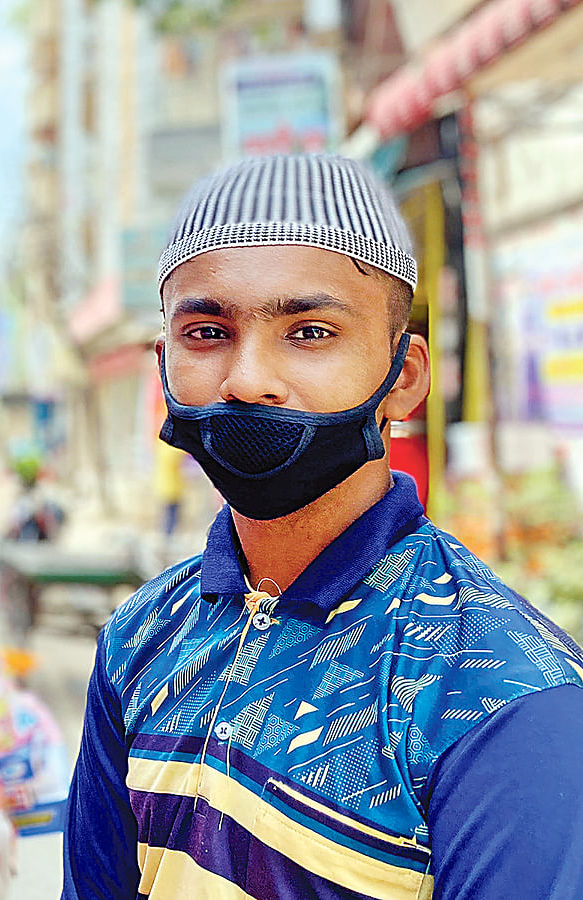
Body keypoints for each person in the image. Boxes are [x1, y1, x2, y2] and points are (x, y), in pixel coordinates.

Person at [61, 154, 583, 899]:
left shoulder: (504, 697)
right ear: (164, 364)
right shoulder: (142, 636)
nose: (247, 379)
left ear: (403, 378)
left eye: (309, 332)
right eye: (207, 332)